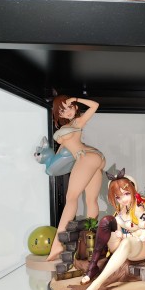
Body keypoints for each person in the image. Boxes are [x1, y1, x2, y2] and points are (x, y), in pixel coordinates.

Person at [78, 169, 145, 290]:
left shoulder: (139, 207)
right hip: (122, 243)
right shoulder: (120, 209)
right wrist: (119, 230)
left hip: (139, 245)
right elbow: (117, 226)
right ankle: (92, 266)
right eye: (118, 197)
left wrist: (130, 230)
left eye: (126, 194)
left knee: (126, 242)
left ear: (133, 190)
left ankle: (96, 283)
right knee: (106, 220)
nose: (123, 200)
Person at [46, 95, 105, 261]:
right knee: (91, 200)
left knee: (71, 198)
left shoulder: (78, 122)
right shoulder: (70, 126)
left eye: (69, 107)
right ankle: (90, 239)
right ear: (58, 114)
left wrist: (76, 99)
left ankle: (58, 244)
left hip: (86, 157)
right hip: (94, 158)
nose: (67, 112)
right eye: (62, 110)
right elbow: (62, 153)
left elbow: (95, 105)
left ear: (75, 107)